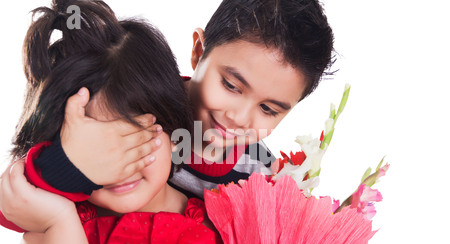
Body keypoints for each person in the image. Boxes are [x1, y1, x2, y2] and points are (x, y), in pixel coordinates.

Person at [0, 0, 222, 244]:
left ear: (175, 130)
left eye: (133, 138)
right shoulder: (46, 234)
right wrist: (60, 222)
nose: (119, 166)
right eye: (95, 150)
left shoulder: (221, 224)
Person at [21, 0, 335, 201]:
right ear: (198, 52)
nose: (239, 117)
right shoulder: (139, 108)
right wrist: (69, 168)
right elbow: (20, 199)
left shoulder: (263, 176)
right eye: (230, 85)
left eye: (268, 109)